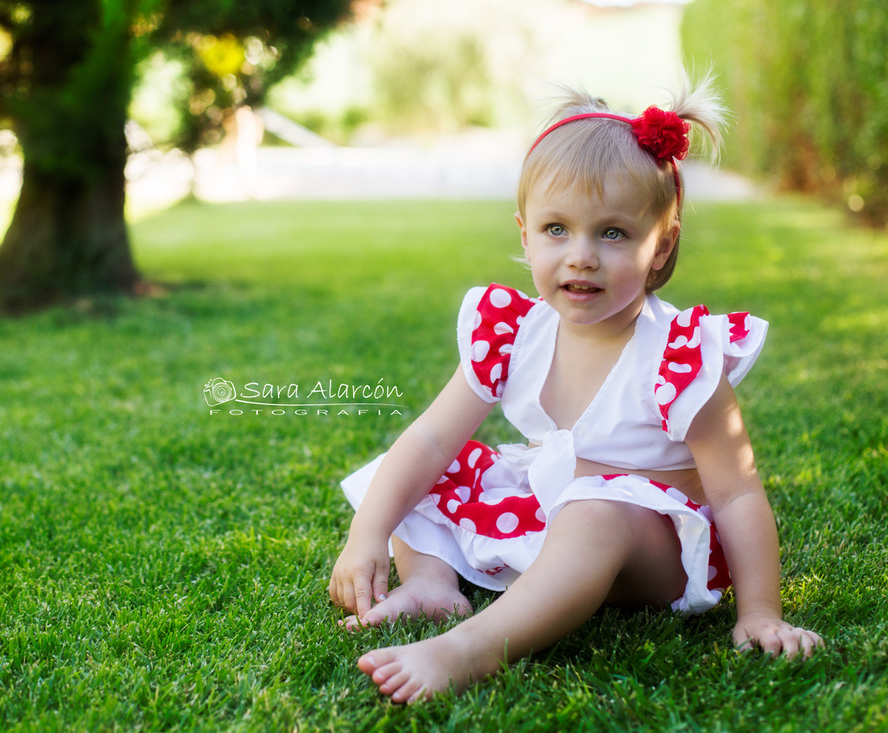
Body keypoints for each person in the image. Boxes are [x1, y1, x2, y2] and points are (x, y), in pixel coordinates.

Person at [328, 77, 823, 703]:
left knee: (594, 511)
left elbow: (737, 491)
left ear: (661, 244)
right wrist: (366, 535)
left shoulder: (680, 353)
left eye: (612, 233)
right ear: (524, 233)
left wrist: (760, 611)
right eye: (556, 229)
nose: (581, 256)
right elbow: (428, 438)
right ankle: (428, 582)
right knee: (426, 466)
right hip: (548, 508)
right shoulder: (513, 332)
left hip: (645, 543)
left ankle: (471, 648)